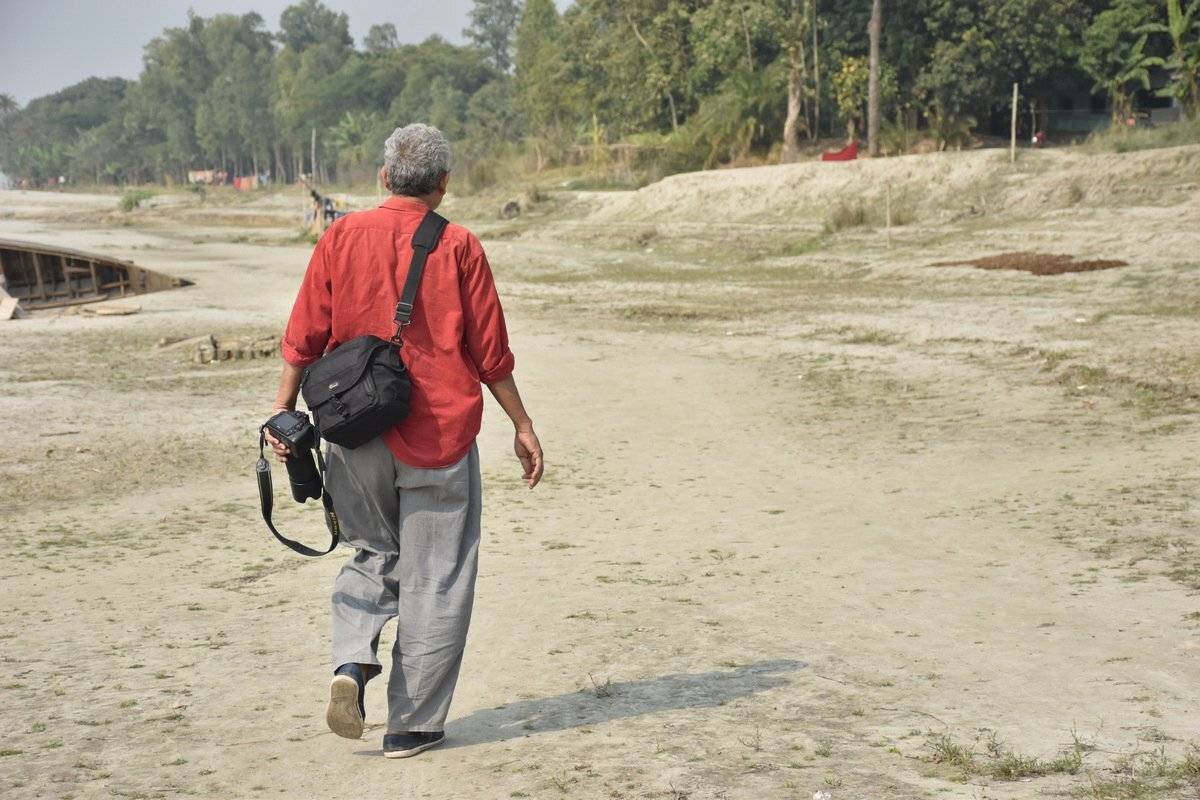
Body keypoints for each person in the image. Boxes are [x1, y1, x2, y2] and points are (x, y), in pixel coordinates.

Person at [264, 123, 544, 759]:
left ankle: (351, 662)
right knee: (437, 577)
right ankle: (410, 726)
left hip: (355, 434)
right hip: (439, 435)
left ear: (384, 177)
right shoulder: (460, 245)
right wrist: (522, 425)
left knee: (371, 551)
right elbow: (490, 353)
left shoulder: (340, 236)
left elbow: (304, 335)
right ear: (443, 184)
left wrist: (281, 411)